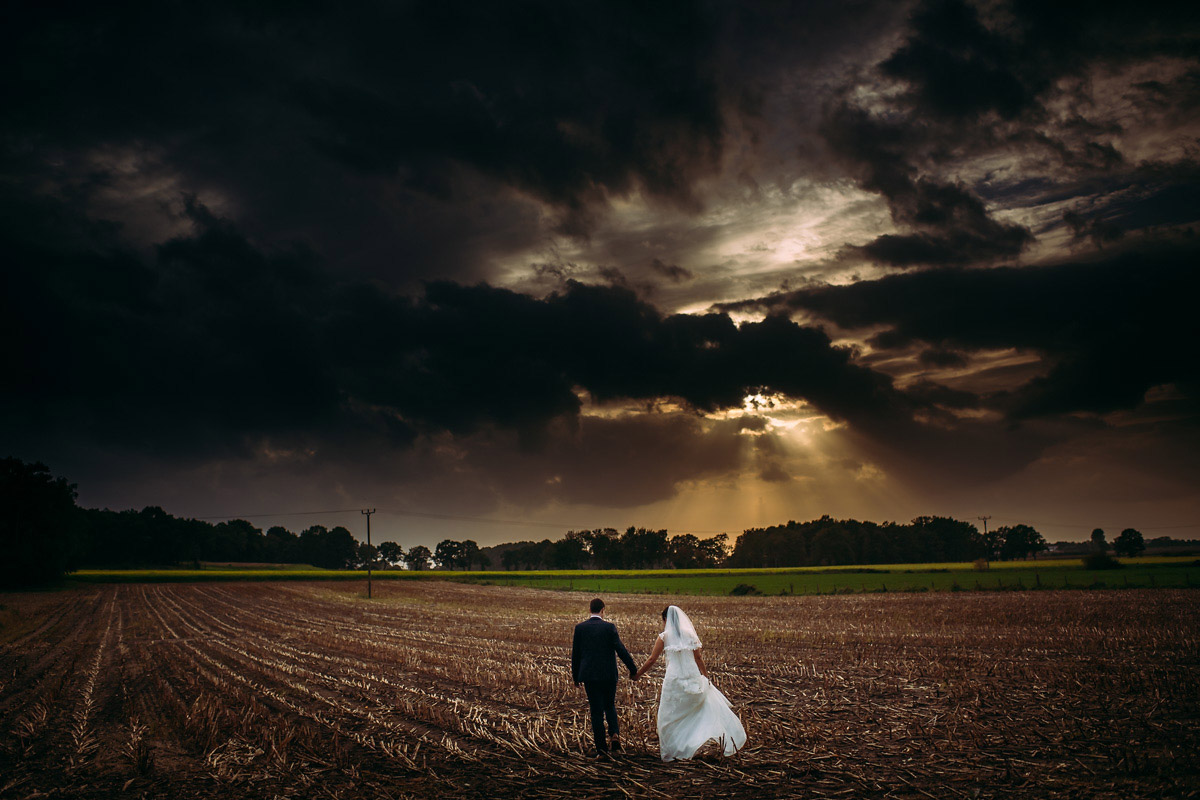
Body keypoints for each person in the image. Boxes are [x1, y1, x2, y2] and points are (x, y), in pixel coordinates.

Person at [633, 605, 746, 762]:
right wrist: (705, 677)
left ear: (666, 620)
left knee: (670, 715)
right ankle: (693, 742)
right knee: (694, 711)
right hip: (692, 675)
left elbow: (652, 659)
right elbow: (698, 658)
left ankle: (675, 749)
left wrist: (638, 674)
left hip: (674, 679)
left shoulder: (664, 637)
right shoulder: (689, 635)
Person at [571, 597, 639, 758]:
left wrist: (576, 676)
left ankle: (601, 749)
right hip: (608, 675)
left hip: (589, 676)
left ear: (590, 610)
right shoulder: (609, 628)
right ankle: (614, 734)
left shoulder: (580, 628)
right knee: (609, 706)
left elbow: (576, 654)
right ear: (603, 610)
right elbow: (620, 650)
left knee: (596, 712)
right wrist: (633, 669)